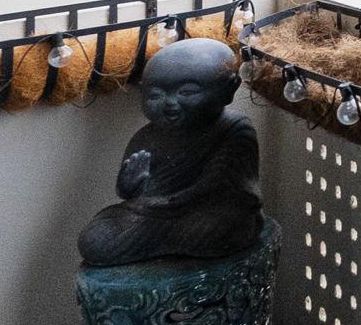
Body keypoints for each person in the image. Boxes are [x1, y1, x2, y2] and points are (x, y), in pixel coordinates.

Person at [77, 38, 261, 266]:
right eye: (155, 95)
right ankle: (170, 242)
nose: (170, 103)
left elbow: (229, 188)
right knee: (95, 237)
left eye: (187, 92)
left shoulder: (234, 129)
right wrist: (129, 184)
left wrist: (166, 203)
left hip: (206, 212)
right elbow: (128, 195)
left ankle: (171, 241)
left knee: (223, 227)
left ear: (228, 90)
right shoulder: (147, 136)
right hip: (153, 216)